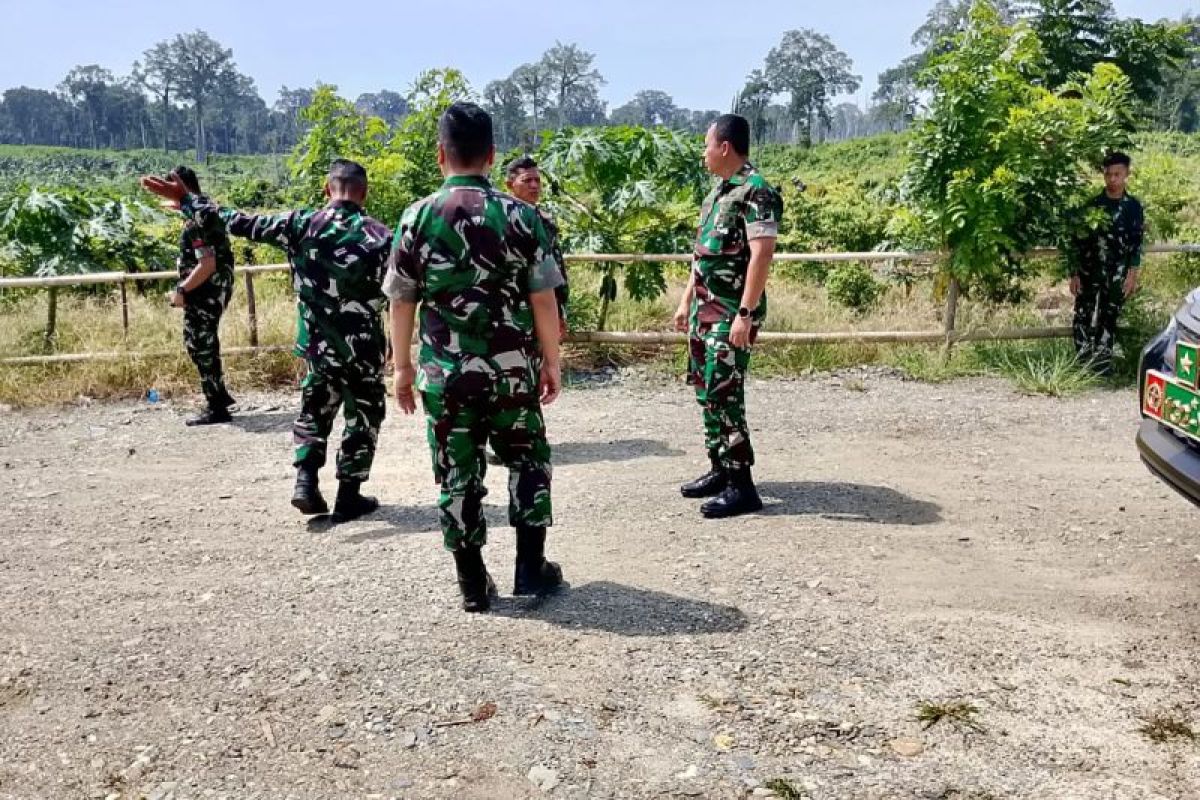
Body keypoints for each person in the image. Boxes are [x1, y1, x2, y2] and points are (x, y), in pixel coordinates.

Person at [386, 102, 565, 613]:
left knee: (456, 472)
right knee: (528, 461)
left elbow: (401, 300)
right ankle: (530, 571)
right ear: (491, 156)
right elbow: (543, 299)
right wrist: (550, 362)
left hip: (445, 375)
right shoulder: (523, 216)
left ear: (441, 154)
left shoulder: (416, 217)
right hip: (512, 373)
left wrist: (401, 368)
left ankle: (471, 583)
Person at [142, 160, 390, 523]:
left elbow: (238, 221)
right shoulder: (381, 236)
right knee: (364, 416)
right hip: (365, 348)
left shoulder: (300, 224)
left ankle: (305, 481)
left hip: (318, 346)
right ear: (363, 194)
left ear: (326, 189)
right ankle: (348, 495)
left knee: (314, 409)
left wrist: (189, 201)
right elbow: (402, 290)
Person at [673, 114, 783, 519]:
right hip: (705, 310)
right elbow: (702, 256)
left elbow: (762, 254)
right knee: (705, 390)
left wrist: (745, 313)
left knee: (726, 394)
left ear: (723, 147)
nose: (703, 153)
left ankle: (743, 484)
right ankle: (719, 466)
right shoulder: (717, 194)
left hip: (731, 313)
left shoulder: (757, 192)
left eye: (706, 145)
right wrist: (686, 301)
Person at [166, 166, 236, 426]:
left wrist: (182, 289)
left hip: (203, 292)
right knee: (204, 344)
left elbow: (206, 263)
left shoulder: (196, 220)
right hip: (213, 291)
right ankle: (219, 397)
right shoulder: (205, 209)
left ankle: (216, 406)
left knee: (200, 346)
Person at [1069, 151, 1146, 376]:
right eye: (1108, 174)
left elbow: (1136, 243)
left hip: (1117, 273)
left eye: (1117, 174)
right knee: (1083, 315)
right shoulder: (1093, 206)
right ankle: (1081, 366)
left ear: (1126, 175)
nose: (1112, 179)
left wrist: (1132, 275)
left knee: (1108, 317)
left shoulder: (1133, 207)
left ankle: (1102, 367)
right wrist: (1074, 274)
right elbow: (1078, 242)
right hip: (1089, 271)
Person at [505, 155, 568, 337]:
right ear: (510, 185)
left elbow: (557, 268)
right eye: (527, 181)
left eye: (537, 180)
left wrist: (559, 310)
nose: (534, 186)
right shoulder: (501, 220)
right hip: (512, 310)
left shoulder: (545, 221)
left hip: (545, 305)